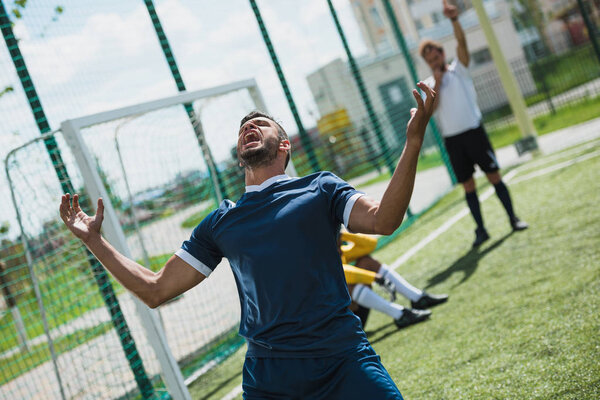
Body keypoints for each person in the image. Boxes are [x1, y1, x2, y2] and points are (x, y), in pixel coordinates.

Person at [59, 82, 436, 399]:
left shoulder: (320, 188)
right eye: (244, 128)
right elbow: (156, 290)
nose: (249, 128)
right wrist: (95, 241)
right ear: (240, 154)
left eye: (260, 124)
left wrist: (414, 141)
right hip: (272, 377)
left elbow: (384, 219)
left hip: (342, 358)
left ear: (284, 146)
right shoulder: (221, 221)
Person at [419, 0, 528, 247]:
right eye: (429, 59)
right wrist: (437, 83)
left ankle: (513, 218)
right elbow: (432, 111)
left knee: (494, 176)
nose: (434, 61)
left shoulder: (460, 69)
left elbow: (463, 44)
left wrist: (454, 20)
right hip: (454, 141)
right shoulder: (430, 84)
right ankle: (481, 230)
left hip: (474, 132)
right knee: (468, 186)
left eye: (436, 55)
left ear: (442, 53)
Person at [339, 232, 448, 330]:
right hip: (340, 325)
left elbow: (370, 244)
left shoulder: (337, 250)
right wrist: (376, 277)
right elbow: (342, 272)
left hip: (354, 310)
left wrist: (342, 234)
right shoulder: (323, 260)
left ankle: (417, 298)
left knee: (366, 262)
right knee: (346, 286)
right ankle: (400, 315)